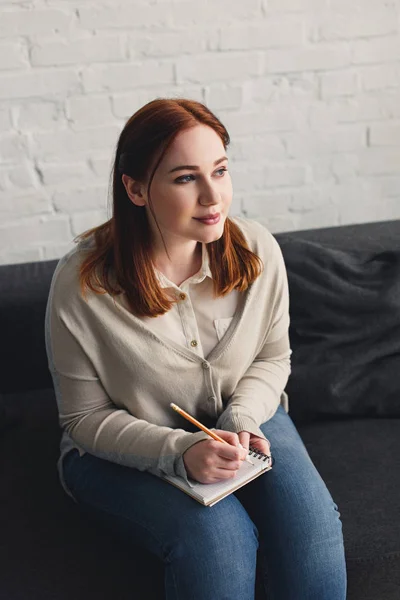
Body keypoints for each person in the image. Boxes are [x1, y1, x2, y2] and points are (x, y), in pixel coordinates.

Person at [45, 98, 347, 600]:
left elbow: (272, 358)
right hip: (114, 452)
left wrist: (243, 419)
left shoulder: (258, 250)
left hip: (241, 418)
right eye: (186, 178)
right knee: (219, 542)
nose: (214, 196)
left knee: (312, 539)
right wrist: (180, 451)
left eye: (221, 170)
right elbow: (83, 419)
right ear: (136, 188)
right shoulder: (82, 285)